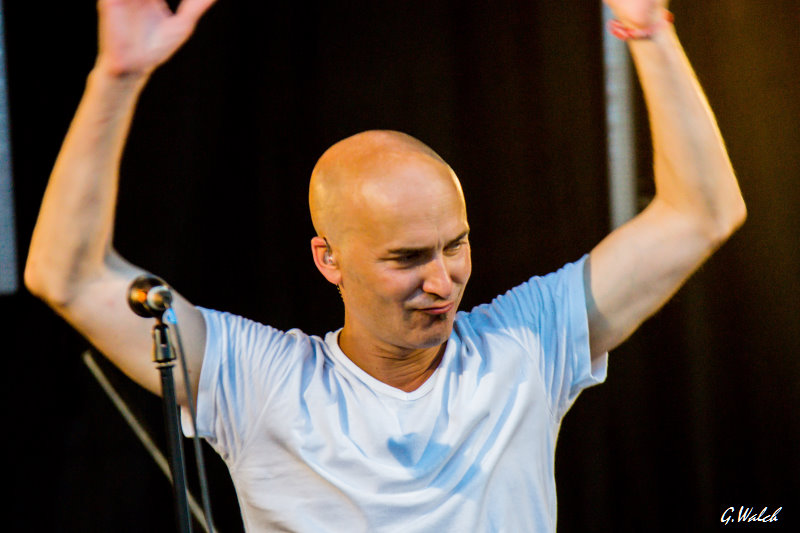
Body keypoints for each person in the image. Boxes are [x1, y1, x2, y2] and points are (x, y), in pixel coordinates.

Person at [24, 0, 746, 531]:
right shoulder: (259, 380)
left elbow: (701, 214)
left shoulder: (526, 343)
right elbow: (68, 276)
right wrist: (116, 77)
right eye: (406, 258)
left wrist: (651, 34)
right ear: (328, 259)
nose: (442, 281)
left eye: (455, 245)